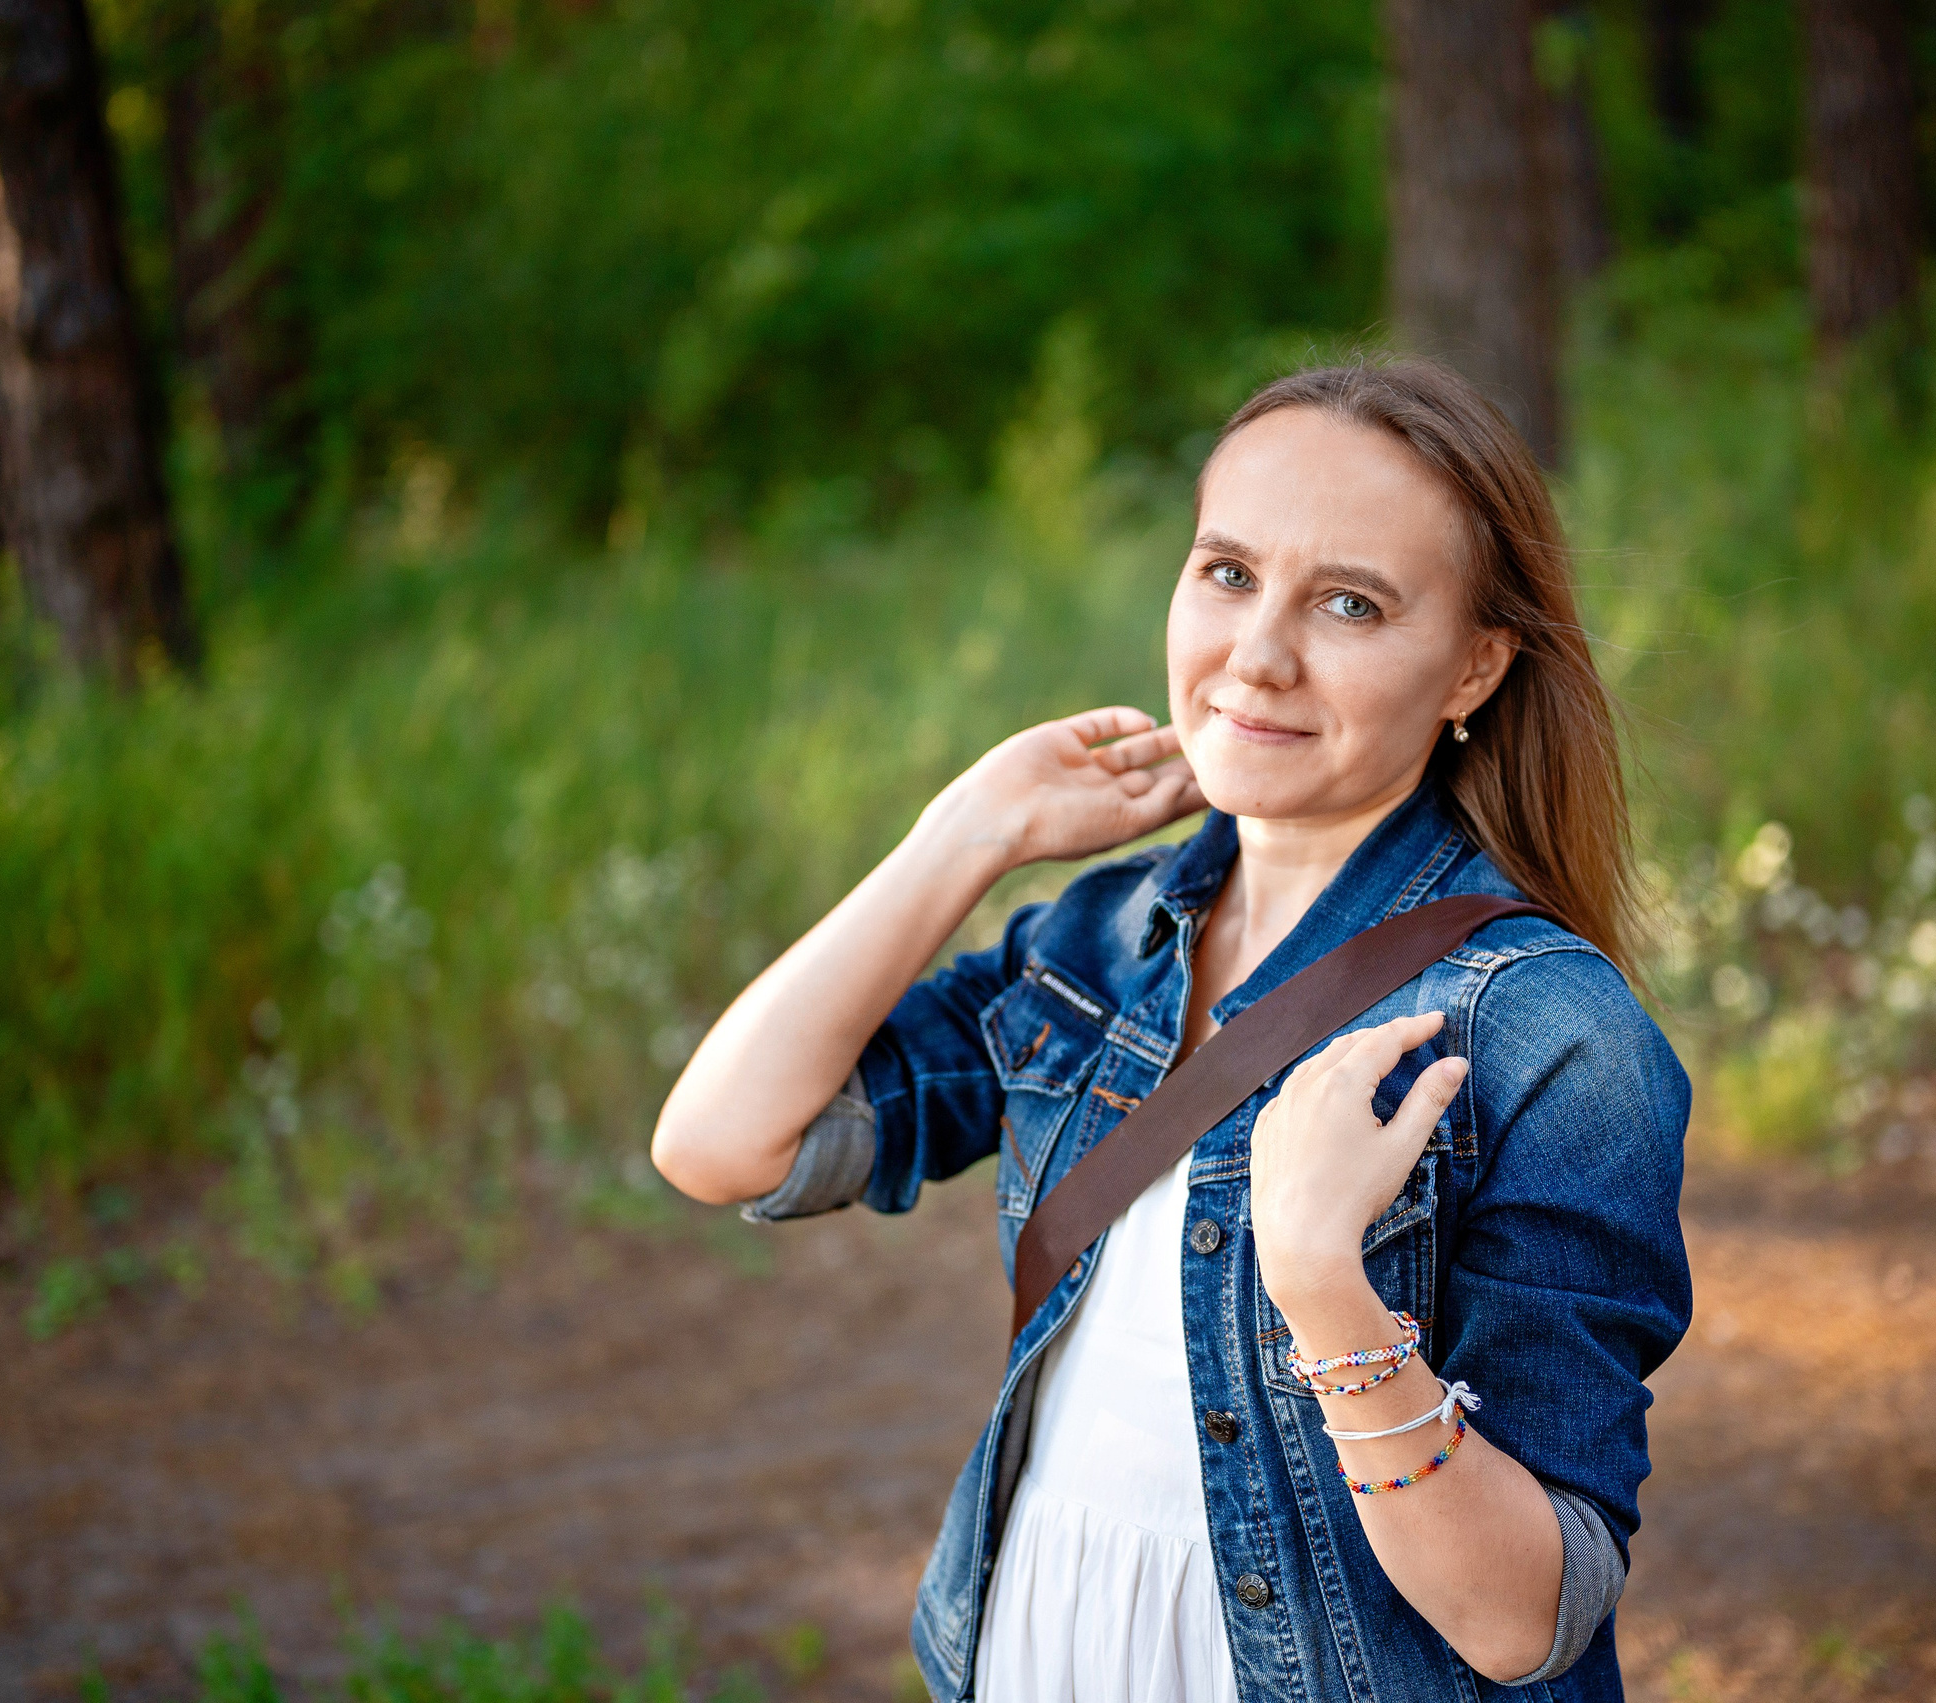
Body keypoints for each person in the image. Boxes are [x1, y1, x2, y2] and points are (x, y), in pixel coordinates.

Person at [652, 359, 1691, 1703]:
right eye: (1227, 573)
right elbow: (723, 1144)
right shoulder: (1104, 943)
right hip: (1042, 1650)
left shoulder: (1548, 1035)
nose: (1258, 653)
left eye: (1350, 603)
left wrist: (1325, 1283)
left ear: (1476, 665)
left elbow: (1521, 1620)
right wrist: (967, 836)